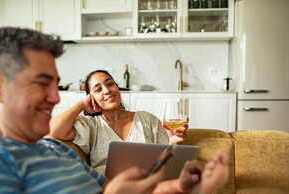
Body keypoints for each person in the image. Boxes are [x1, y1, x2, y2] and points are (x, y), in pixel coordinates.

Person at [0, 26, 229, 194]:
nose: (53, 97)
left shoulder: (55, 150)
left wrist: (184, 184)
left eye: (56, 85)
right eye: (42, 83)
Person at [49, 69, 189, 174]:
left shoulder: (147, 120)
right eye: (98, 89)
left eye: (110, 84)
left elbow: (168, 167)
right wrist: (81, 105)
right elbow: (53, 131)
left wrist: (174, 142)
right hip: (112, 192)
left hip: (149, 186)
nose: (107, 90)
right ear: (91, 98)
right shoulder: (90, 125)